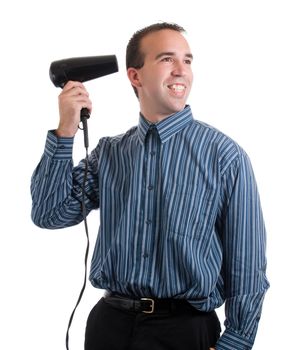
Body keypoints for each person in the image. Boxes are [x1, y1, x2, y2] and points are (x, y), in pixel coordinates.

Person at [31, 22, 269, 350]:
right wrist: (65, 131)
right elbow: (49, 212)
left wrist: (236, 342)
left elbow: (247, 264)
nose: (180, 71)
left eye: (187, 60)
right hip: (109, 328)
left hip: (185, 332)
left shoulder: (224, 156)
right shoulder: (110, 153)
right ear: (135, 76)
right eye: (166, 59)